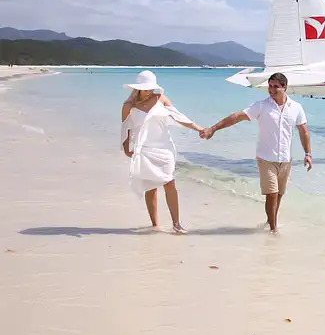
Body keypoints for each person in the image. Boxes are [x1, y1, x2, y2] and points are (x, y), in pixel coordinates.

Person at [200, 72, 311, 233]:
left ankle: (270, 221)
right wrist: (213, 128)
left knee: (279, 194)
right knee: (271, 194)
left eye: (276, 87)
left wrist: (308, 154)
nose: (271, 90)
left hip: (286, 159)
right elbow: (237, 117)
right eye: (270, 86)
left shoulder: (296, 108)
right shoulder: (261, 106)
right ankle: (273, 230)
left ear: (284, 88)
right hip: (266, 158)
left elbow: (304, 131)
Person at [120, 70, 204, 233]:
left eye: (151, 88)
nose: (149, 91)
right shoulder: (128, 106)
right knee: (150, 186)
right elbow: (125, 128)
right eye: (145, 88)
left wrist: (198, 128)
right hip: (144, 149)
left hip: (164, 148)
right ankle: (155, 225)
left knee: (169, 183)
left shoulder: (160, 99)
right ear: (137, 88)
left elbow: (180, 117)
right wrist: (126, 149)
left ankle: (176, 223)